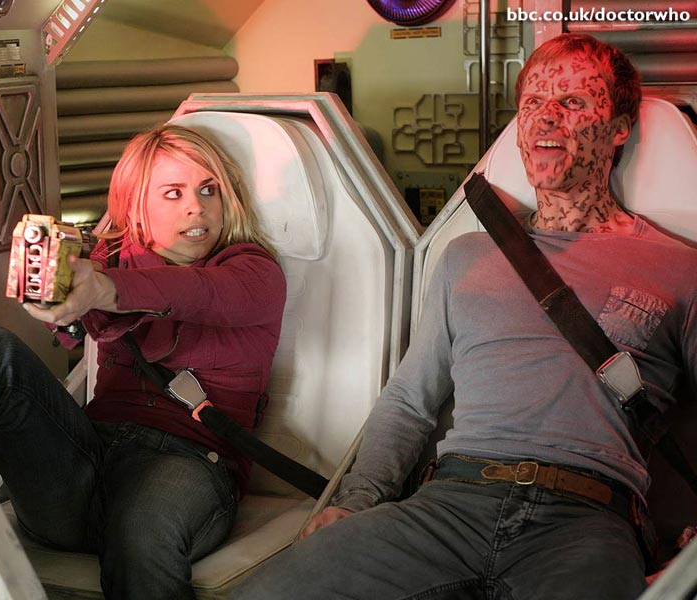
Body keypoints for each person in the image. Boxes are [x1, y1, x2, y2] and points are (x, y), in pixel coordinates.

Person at [231, 34, 697, 600]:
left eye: (573, 102)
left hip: (587, 519)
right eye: (532, 103)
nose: (546, 117)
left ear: (619, 128)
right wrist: (355, 500)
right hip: (451, 503)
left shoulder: (679, 269)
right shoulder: (467, 257)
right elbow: (409, 400)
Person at [0, 124, 287, 599]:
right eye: (173, 193)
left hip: (191, 464)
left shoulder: (254, 272)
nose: (196, 206)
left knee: (140, 532)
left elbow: (195, 292)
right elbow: (71, 321)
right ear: (135, 206)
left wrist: (103, 289)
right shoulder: (107, 259)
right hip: (82, 464)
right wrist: (60, 295)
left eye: (208, 189)